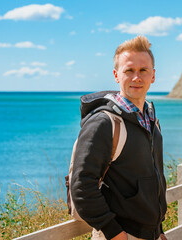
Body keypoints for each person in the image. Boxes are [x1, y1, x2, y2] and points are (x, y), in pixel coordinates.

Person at [71, 36, 167, 240]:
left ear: (153, 75)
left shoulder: (150, 119)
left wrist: (158, 231)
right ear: (116, 75)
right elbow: (81, 186)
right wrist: (113, 232)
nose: (136, 77)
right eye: (129, 70)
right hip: (120, 236)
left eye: (143, 70)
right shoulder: (103, 123)